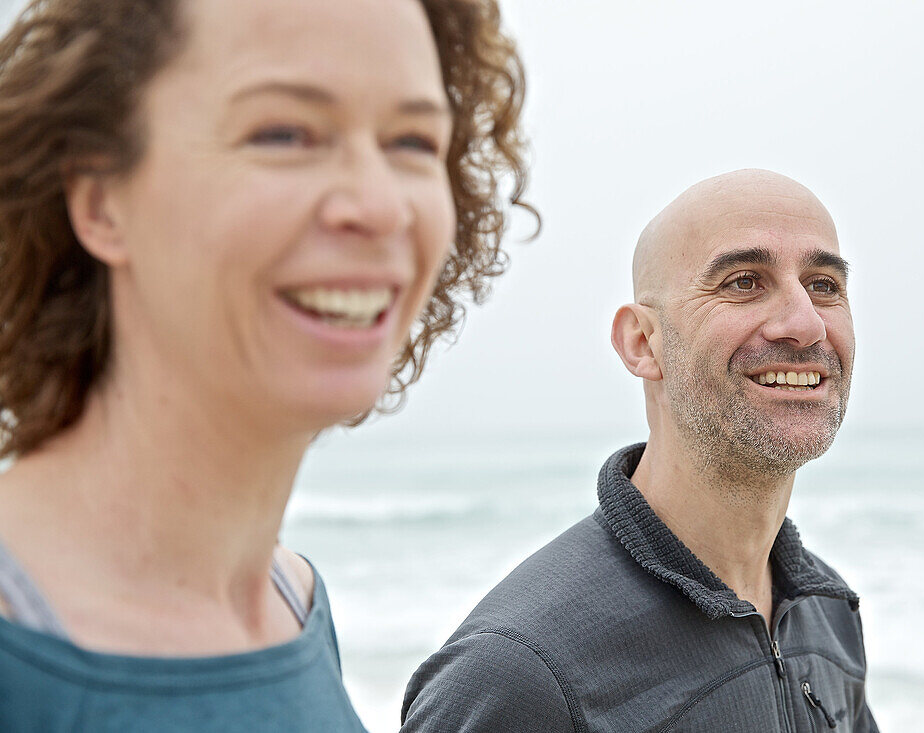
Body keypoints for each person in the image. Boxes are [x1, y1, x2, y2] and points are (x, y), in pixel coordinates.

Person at [0, 0, 532, 729]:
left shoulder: (294, 602)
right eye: (284, 133)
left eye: (413, 141)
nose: (380, 207)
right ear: (99, 202)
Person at [402, 169, 878, 732]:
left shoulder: (826, 610)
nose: (805, 324)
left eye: (823, 284)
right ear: (642, 343)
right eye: (744, 281)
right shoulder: (519, 673)